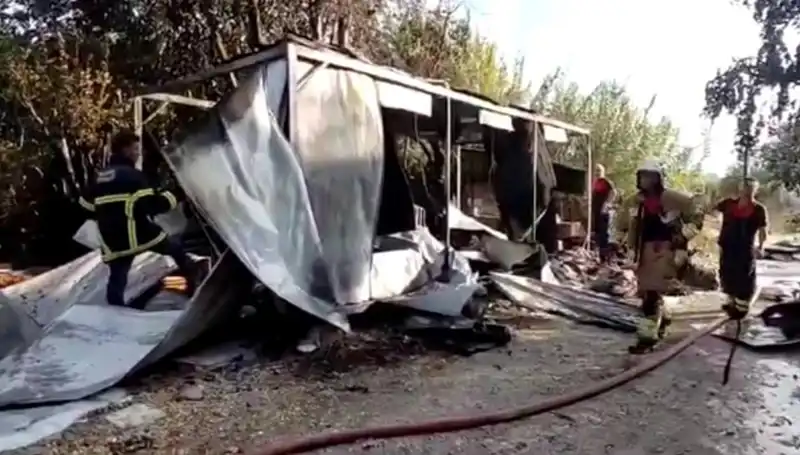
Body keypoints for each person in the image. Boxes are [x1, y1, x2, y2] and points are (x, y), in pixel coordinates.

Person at [78, 130, 198, 308]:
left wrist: (107, 214)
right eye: (135, 149)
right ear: (125, 150)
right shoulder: (134, 176)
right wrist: (176, 195)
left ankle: (114, 311)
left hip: (111, 239)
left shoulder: (100, 176)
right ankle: (195, 287)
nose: (138, 153)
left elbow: (85, 206)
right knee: (175, 248)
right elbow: (152, 205)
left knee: (117, 275)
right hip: (136, 234)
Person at [625, 160, 703, 354]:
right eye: (642, 176)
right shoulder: (636, 201)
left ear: (657, 178)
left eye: (649, 176)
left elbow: (698, 211)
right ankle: (664, 319)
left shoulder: (673, 198)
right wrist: (624, 245)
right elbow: (627, 224)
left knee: (651, 297)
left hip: (665, 250)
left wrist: (684, 235)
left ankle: (646, 339)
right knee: (649, 293)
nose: (644, 180)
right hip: (644, 252)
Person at [714, 177, 768, 320]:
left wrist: (761, 246)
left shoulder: (759, 209)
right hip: (727, 246)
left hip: (745, 248)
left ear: (755, 190)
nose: (747, 189)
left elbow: (763, 230)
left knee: (745, 276)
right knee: (727, 272)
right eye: (745, 186)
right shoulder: (728, 204)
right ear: (739, 188)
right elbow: (711, 210)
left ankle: (741, 307)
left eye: (751, 187)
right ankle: (730, 301)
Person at [591, 164, 616, 262]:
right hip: (596, 211)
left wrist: (607, 203)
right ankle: (598, 256)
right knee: (597, 233)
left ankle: (605, 257)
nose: (597, 173)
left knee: (603, 233)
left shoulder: (606, 182)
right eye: (595, 170)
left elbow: (613, 192)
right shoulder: (595, 182)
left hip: (604, 211)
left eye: (599, 171)